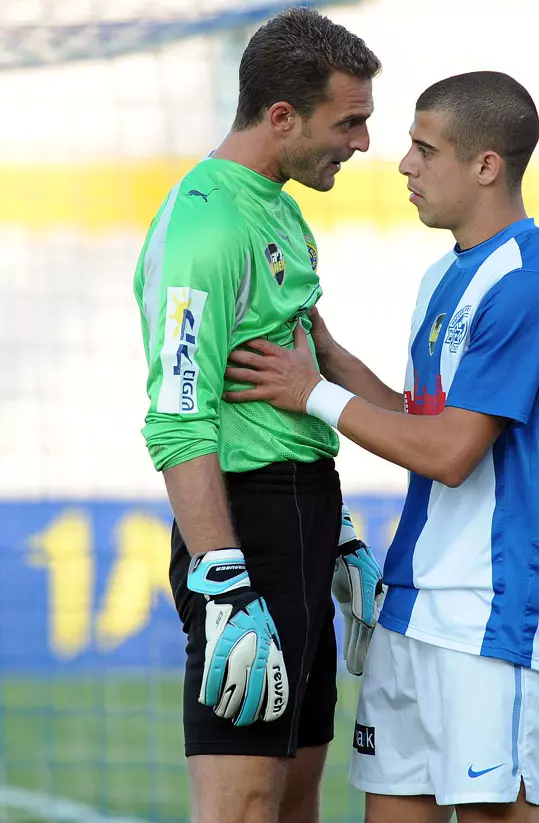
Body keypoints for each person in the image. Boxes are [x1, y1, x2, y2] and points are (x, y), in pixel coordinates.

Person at [223, 71, 539, 823]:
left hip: (494, 614)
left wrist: (312, 393)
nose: (403, 164)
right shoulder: (444, 275)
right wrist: (331, 360)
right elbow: (420, 417)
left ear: (486, 164)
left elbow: (451, 452)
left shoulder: (528, 285)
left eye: (425, 149)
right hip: (412, 603)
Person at [132, 8, 384, 823]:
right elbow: (178, 416)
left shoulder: (280, 208)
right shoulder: (204, 226)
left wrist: (334, 522)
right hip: (248, 533)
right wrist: (224, 581)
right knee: (242, 806)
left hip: (305, 512)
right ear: (283, 117)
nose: (363, 143)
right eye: (349, 121)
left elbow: (305, 369)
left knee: (298, 793)